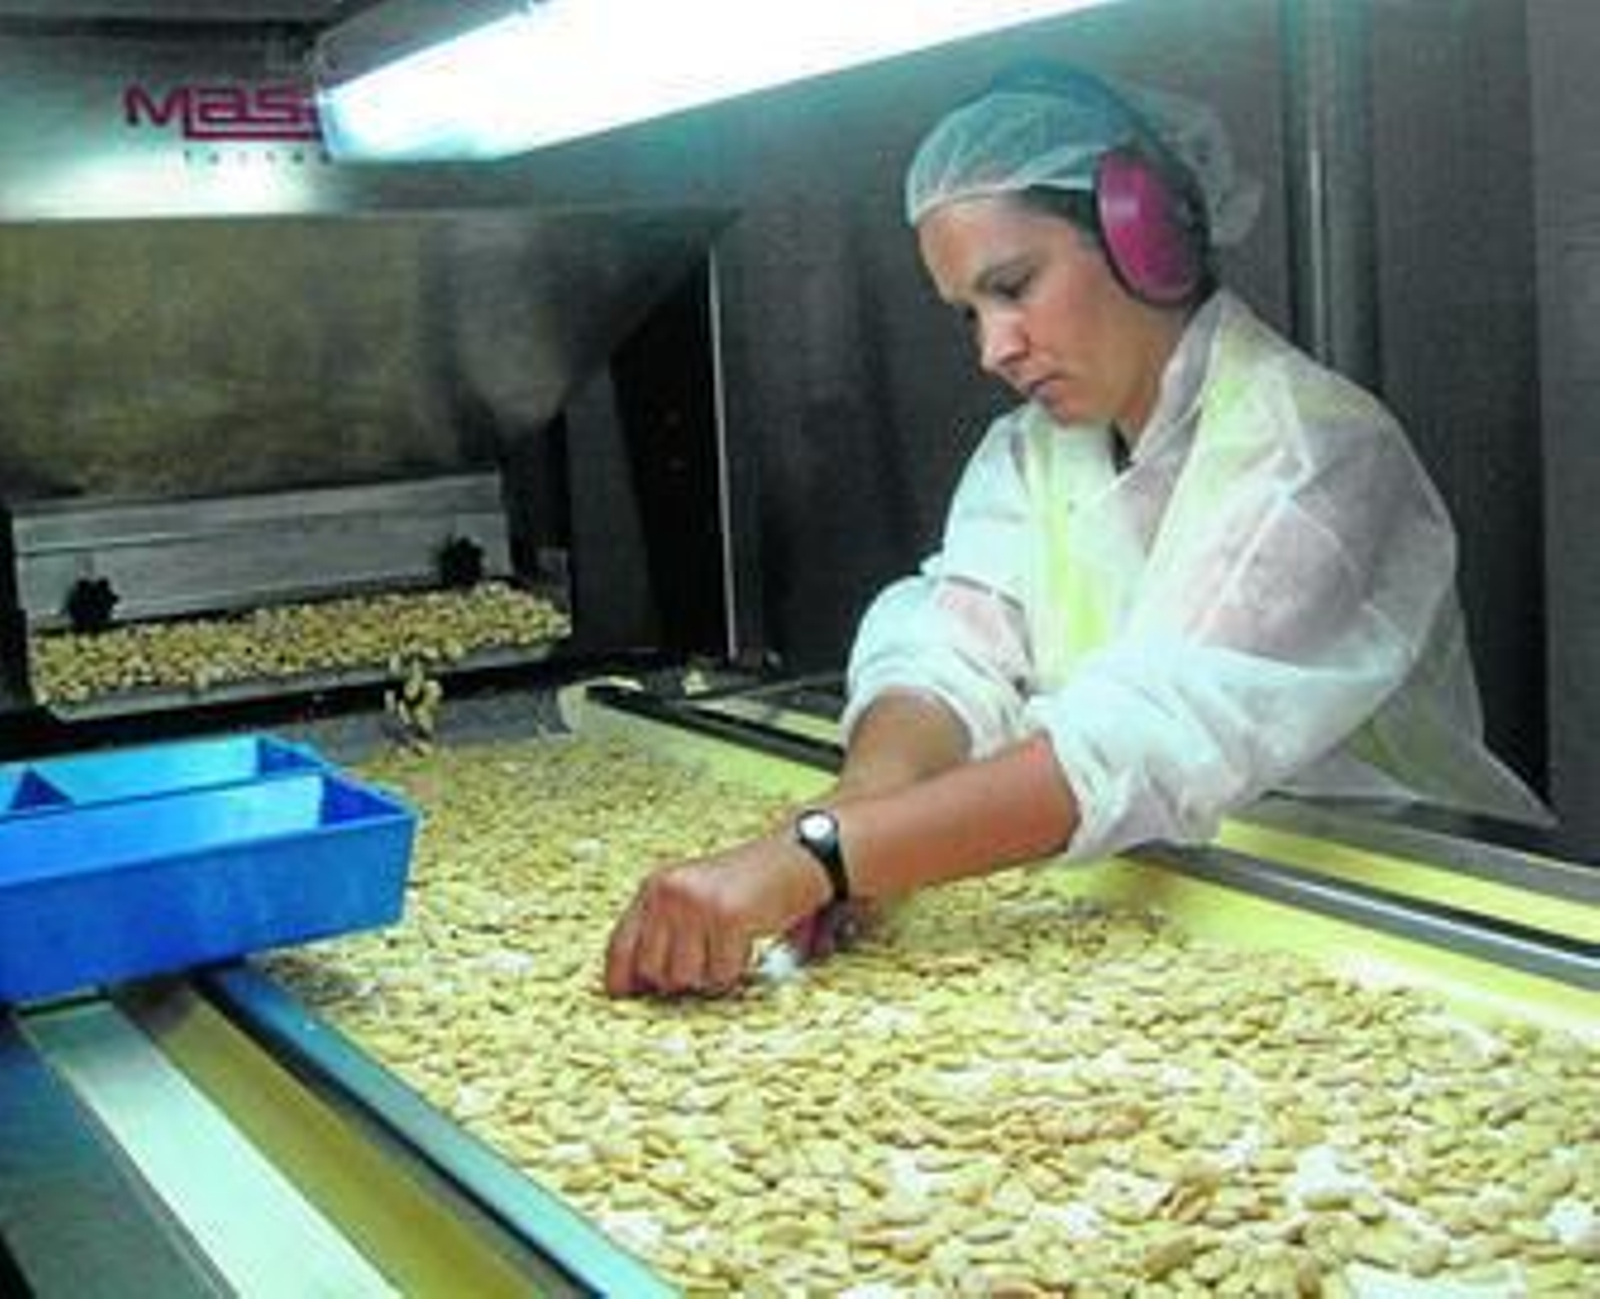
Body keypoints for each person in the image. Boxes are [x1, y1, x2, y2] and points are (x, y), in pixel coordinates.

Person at [603, 63, 1550, 999]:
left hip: (1381, 922)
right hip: (1157, 894)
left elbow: (1138, 734)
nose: (993, 348)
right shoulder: (1033, 451)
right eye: (969, 313)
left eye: (1014, 285)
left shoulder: (1315, 455)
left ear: (1146, 233)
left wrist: (824, 856)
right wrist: (851, 811)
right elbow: (951, 645)